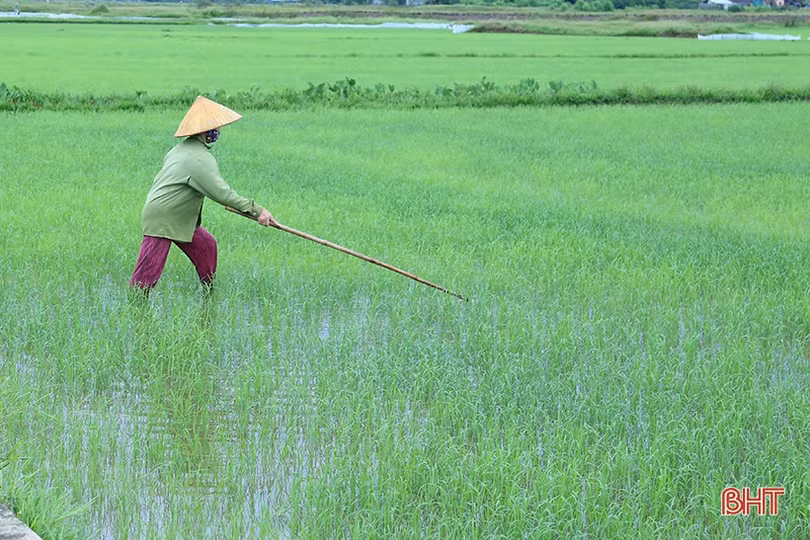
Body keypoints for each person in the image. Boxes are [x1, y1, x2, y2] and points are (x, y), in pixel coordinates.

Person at [129, 96, 277, 295]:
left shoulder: (181, 149)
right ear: (203, 131)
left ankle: (209, 292)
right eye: (214, 128)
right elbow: (222, 193)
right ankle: (135, 305)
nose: (217, 132)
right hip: (163, 218)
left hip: (180, 217)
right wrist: (257, 210)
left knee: (207, 246)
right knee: (146, 276)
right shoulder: (199, 159)